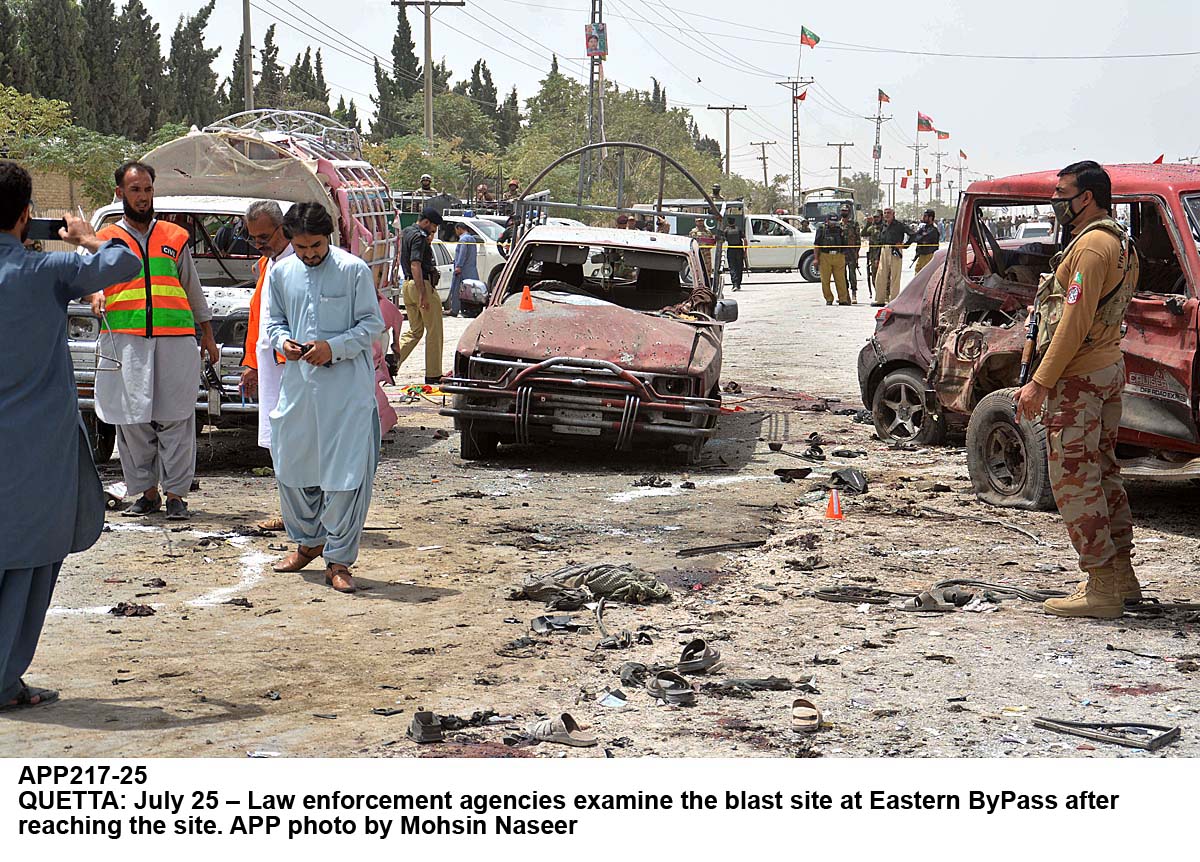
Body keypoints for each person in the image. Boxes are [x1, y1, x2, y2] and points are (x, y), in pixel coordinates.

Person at [0, 160, 142, 711]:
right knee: (30, 558)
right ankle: (4, 678)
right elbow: (124, 260)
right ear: (25, 215)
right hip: (34, 449)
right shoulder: (42, 274)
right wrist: (86, 236)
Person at [1015, 161, 1140, 620]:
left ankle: (1102, 587)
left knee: (1074, 478)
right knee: (1103, 473)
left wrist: (1039, 382)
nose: (1056, 201)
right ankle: (1122, 578)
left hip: (1080, 378)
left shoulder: (1091, 248)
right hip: (1106, 369)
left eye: (1061, 193)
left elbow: (1073, 322)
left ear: (1085, 197)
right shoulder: (1120, 243)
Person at [87, 161, 218, 521]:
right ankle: (145, 493)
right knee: (132, 420)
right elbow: (90, 280)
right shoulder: (105, 239)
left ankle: (176, 494)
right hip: (125, 341)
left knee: (176, 417)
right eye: (135, 190)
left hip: (174, 340)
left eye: (147, 189)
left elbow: (192, 289)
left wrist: (207, 335)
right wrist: (95, 296)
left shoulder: (174, 237)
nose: (143, 197)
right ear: (120, 193)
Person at [266, 203, 384, 594]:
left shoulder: (353, 270)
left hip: (346, 394)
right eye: (300, 247)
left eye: (315, 245)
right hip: (299, 390)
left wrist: (334, 348)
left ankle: (338, 560)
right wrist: (286, 341)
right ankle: (308, 542)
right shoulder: (281, 272)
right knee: (292, 469)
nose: (309, 254)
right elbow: (273, 323)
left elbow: (372, 325)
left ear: (328, 237)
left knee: (346, 479)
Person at [237, 201, 295, 531]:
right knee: (277, 444)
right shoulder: (267, 264)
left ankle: (303, 516)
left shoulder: (299, 264)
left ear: (283, 228)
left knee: (295, 444)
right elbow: (258, 320)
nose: (259, 243)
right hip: (270, 368)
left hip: (293, 368)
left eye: (264, 236)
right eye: (253, 238)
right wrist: (252, 366)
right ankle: (293, 513)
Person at [394, 208, 444, 385]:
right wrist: (423, 293)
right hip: (420, 285)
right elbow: (416, 265)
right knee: (434, 330)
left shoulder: (406, 232)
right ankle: (433, 374)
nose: (435, 230)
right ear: (427, 222)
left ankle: (393, 361)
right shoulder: (419, 237)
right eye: (434, 226)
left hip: (407, 286)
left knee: (415, 331)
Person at [873, 207, 917, 306]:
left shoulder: (899, 225)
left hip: (895, 251)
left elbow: (912, 234)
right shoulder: (883, 225)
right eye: (885, 213)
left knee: (895, 276)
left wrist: (905, 245)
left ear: (893, 214)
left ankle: (893, 300)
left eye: (889, 213)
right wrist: (877, 257)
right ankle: (879, 300)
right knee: (880, 276)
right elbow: (879, 242)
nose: (886, 215)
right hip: (884, 250)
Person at [814, 214, 850, 305]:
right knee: (825, 280)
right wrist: (816, 259)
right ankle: (829, 298)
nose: (833, 224)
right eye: (831, 221)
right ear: (827, 220)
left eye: (835, 222)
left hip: (838, 256)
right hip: (825, 256)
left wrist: (845, 255)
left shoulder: (840, 230)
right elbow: (816, 245)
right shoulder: (821, 229)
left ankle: (843, 299)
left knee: (840, 279)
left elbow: (845, 244)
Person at [450, 220, 479, 317]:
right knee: (471, 291)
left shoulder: (463, 239)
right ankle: (471, 310)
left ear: (459, 229)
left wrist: (458, 266)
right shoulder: (472, 239)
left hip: (462, 269)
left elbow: (462, 254)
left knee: (457, 289)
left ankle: (454, 310)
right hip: (471, 269)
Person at [839, 205, 861, 303]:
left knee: (852, 273)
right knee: (841, 274)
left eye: (846, 211)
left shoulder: (854, 224)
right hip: (841, 253)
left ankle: (854, 294)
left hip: (851, 252)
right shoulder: (838, 224)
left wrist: (857, 252)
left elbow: (858, 239)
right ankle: (844, 294)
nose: (844, 212)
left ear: (849, 212)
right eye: (842, 210)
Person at [722, 215, 747, 292]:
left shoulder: (726, 230)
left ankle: (734, 284)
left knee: (732, 267)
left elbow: (722, 240)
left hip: (731, 249)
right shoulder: (738, 229)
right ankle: (738, 284)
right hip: (739, 249)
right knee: (739, 267)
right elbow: (745, 240)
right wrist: (745, 251)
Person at [911, 208, 941, 274]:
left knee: (926, 275)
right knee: (917, 274)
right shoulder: (923, 228)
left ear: (930, 218)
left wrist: (921, 238)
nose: (923, 218)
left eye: (925, 216)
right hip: (921, 255)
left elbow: (924, 238)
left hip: (929, 255)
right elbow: (916, 238)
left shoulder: (934, 230)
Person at [862, 210, 884, 299]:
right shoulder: (872, 227)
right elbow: (863, 233)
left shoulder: (884, 227)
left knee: (884, 276)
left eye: (877, 217)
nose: (876, 219)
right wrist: (868, 223)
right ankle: (878, 294)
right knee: (874, 276)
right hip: (872, 254)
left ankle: (885, 294)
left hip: (882, 254)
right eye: (874, 217)